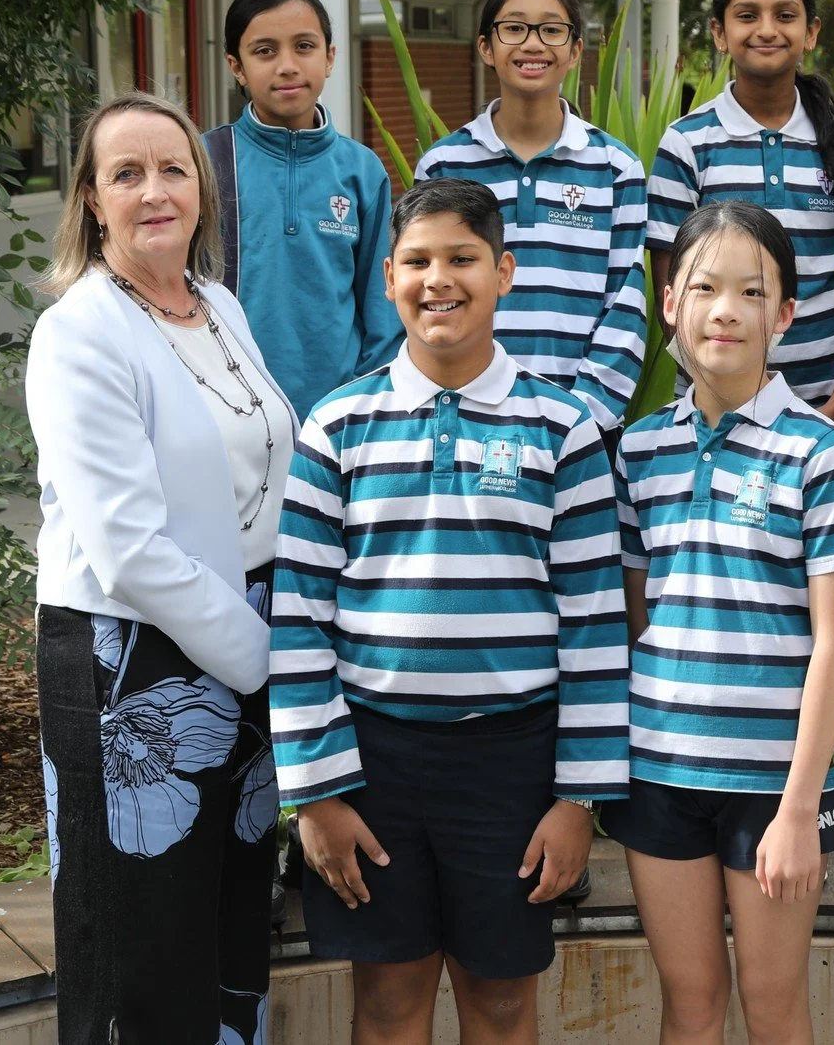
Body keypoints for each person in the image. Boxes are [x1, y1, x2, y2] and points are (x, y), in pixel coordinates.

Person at [268, 177, 630, 1045]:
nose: (440, 278)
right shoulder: (337, 426)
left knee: (501, 1002)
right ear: (388, 275)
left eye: (463, 258)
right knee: (388, 1001)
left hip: (513, 765)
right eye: (418, 260)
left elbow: (593, 624)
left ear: (503, 272)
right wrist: (316, 793)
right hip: (372, 763)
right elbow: (299, 618)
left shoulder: (562, 428)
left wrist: (576, 799)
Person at [28, 92, 294, 1045]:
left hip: (240, 640)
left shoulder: (219, 307)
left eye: (174, 169)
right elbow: (128, 549)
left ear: (202, 189)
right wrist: (265, 657)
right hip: (130, 662)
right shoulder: (80, 331)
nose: (155, 191)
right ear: (91, 200)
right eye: (127, 173)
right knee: (140, 957)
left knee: (230, 926)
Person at [606, 200, 834, 1045]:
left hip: (774, 783)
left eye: (751, 292)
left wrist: (800, 806)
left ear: (785, 313)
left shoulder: (819, 451)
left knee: (773, 1005)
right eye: (704, 287)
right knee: (690, 1004)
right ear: (669, 302)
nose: (725, 310)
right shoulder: (640, 450)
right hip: (660, 767)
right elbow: (638, 611)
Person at [648, 0, 834, 421]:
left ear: (811, 31)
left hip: (826, 406)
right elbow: (671, 291)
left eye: (785, 15)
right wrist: (718, 395)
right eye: (747, 15)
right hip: (714, 408)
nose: (767, 29)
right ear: (719, 32)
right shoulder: (687, 144)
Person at [416, 0, 650, 436]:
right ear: (486, 47)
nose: (533, 44)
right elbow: (431, 293)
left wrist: (580, 420)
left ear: (575, 51)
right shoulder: (444, 165)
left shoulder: (616, 167)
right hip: (467, 418)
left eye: (551, 29)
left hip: (584, 425)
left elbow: (627, 300)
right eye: (514, 28)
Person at [204, 0, 403, 419]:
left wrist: (365, 401)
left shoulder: (361, 170)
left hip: (339, 414)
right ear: (237, 67)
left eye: (304, 46)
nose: (288, 65)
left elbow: (383, 303)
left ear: (329, 57)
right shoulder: (204, 162)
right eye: (265, 51)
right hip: (231, 410)